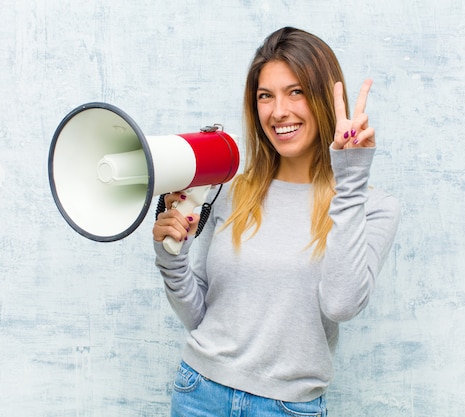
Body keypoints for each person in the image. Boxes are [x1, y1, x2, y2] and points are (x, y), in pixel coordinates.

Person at [152, 26, 400, 417]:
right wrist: (170, 256)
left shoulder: (373, 207)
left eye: (295, 91)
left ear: (321, 97)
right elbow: (199, 314)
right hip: (199, 393)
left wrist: (350, 178)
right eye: (265, 96)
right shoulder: (231, 190)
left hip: (287, 408)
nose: (278, 111)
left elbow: (340, 304)